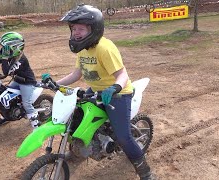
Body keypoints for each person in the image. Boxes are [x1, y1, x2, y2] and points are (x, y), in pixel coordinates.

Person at [43, 4, 155, 180]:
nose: (76, 33)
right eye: (73, 29)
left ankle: (145, 172)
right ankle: (77, 151)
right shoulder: (83, 49)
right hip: (96, 91)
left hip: (118, 93)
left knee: (123, 137)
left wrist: (115, 87)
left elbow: (122, 74)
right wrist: (54, 84)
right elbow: (77, 74)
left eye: (81, 28)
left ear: (93, 29)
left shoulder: (104, 48)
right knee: (76, 118)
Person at [0, 32, 40, 129]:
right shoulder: (11, 55)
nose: (3, 50)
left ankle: (36, 125)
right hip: (17, 80)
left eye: (6, 47)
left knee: (26, 104)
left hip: (27, 82)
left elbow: (6, 71)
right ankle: (7, 115)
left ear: (15, 47)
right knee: (4, 96)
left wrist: (5, 58)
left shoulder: (21, 60)